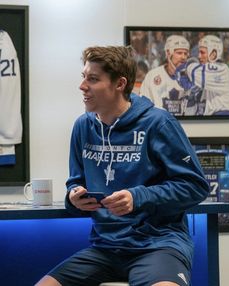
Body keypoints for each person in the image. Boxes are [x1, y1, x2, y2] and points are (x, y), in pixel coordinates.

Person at [36, 45, 209, 286]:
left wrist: (138, 197)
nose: (82, 85)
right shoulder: (83, 127)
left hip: (158, 246)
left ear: (119, 84)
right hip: (106, 248)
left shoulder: (158, 123)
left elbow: (196, 186)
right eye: (83, 77)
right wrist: (74, 197)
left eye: (93, 79)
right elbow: (76, 182)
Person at [175, 35, 229, 115]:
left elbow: (193, 71)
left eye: (202, 52)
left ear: (213, 54)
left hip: (224, 118)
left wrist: (186, 66)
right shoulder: (206, 78)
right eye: (199, 52)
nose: (199, 56)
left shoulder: (221, 69)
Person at [139, 35, 190, 116]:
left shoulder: (192, 77)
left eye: (186, 53)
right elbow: (143, 107)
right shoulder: (152, 75)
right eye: (179, 53)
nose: (183, 57)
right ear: (168, 53)